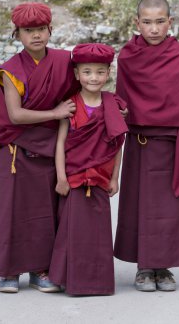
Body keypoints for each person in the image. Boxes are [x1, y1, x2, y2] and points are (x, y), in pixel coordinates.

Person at [114, 0, 179, 292]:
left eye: (160, 22)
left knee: (169, 207)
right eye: (147, 22)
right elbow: (123, 103)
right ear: (137, 23)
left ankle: (165, 268)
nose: (154, 29)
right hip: (139, 144)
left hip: (173, 146)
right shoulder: (129, 56)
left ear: (170, 23)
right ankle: (144, 267)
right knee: (139, 205)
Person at [0, 2, 80, 293]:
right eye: (29, 31)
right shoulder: (10, 70)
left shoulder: (65, 62)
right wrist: (55, 113)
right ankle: (9, 271)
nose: (36, 36)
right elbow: (16, 115)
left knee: (45, 211)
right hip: (17, 148)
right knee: (12, 211)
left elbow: (89, 82)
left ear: (50, 30)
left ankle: (41, 270)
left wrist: (115, 107)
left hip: (51, 149)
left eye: (41, 29)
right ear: (17, 34)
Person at [49, 43, 128, 295]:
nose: (93, 77)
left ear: (108, 73)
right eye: (87, 72)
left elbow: (116, 144)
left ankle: (98, 282)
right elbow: (61, 143)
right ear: (76, 74)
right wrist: (61, 177)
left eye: (100, 71)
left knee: (99, 232)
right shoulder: (69, 105)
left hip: (101, 179)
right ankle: (64, 278)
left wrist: (115, 177)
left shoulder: (113, 104)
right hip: (73, 178)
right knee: (71, 230)